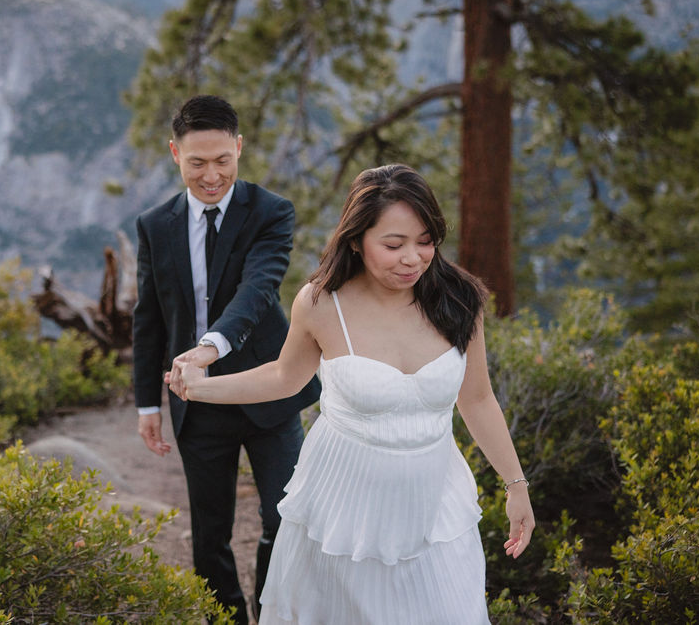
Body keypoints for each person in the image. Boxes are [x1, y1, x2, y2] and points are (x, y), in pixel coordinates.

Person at [169, 164, 535, 624]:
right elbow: (285, 377)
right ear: (357, 240)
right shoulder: (321, 303)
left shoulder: (459, 299)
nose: (413, 259)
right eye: (394, 244)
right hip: (342, 512)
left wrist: (515, 485)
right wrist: (202, 389)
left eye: (425, 241)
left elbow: (478, 399)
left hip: (433, 508)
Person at [133, 94, 321, 623]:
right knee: (209, 531)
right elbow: (149, 317)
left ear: (239, 148)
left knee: (284, 517)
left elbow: (257, 290)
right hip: (197, 401)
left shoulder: (271, 211)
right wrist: (147, 403)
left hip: (270, 391)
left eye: (222, 160)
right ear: (175, 154)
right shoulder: (154, 225)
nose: (211, 175)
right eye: (197, 163)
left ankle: (273, 609)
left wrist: (210, 347)